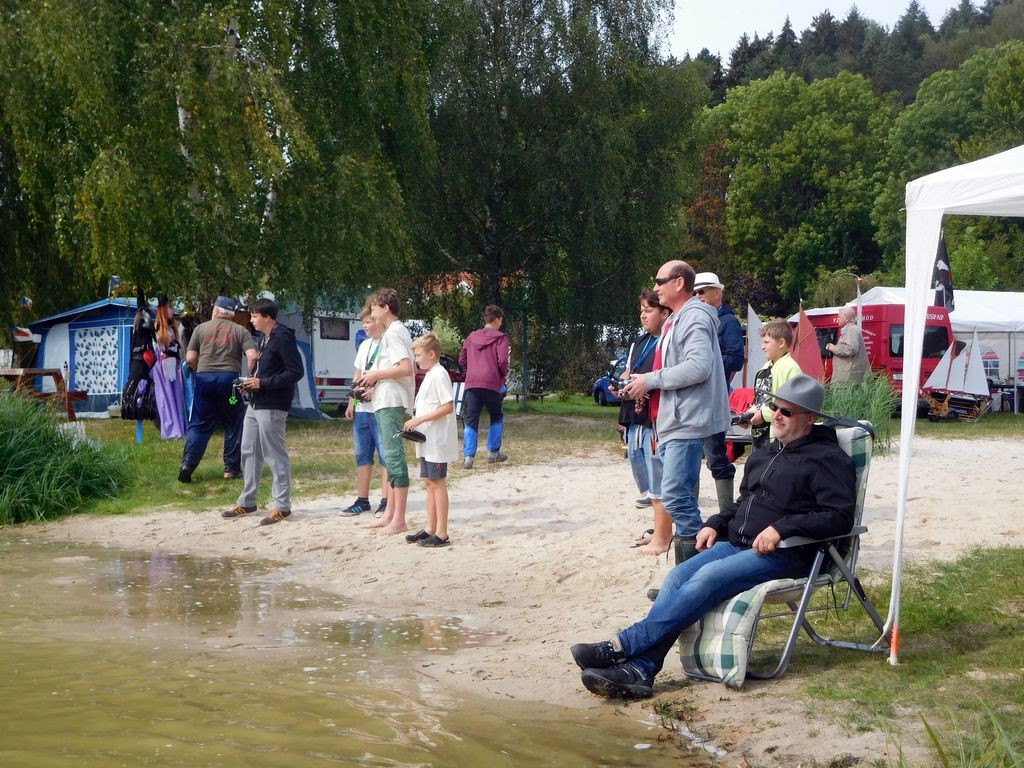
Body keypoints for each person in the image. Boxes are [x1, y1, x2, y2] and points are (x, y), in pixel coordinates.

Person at [570, 375, 856, 699]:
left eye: (787, 412)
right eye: (775, 407)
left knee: (707, 578)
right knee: (677, 577)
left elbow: (838, 516)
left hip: (792, 553)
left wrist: (783, 528)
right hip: (739, 544)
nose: (776, 415)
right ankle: (641, 670)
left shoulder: (828, 458)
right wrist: (715, 523)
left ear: (810, 418)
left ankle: (623, 646)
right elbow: (744, 502)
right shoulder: (766, 453)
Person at [620, 261, 730, 565]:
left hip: (686, 421)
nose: (656, 287)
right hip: (675, 420)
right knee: (677, 497)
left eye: (660, 281)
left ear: (679, 283)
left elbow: (698, 366)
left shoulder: (693, 317)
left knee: (676, 497)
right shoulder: (677, 320)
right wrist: (645, 386)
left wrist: (651, 380)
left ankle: (699, 571)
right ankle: (690, 573)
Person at [222, 298, 303, 526]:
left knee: (274, 454)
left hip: (273, 404)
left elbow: (296, 372)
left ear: (267, 317)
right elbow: (267, 370)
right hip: (256, 403)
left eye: (254, 316)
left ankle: (282, 506)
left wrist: (262, 383)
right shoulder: (266, 337)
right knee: (248, 451)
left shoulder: (283, 337)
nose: (251, 320)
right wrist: (250, 382)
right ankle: (248, 501)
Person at [614, 290, 673, 556]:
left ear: (664, 312)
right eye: (641, 310)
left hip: (656, 417)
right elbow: (630, 371)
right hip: (635, 416)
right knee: (645, 478)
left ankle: (663, 535)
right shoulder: (639, 342)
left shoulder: (669, 341)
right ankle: (658, 531)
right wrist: (623, 383)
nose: (643, 315)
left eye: (648, 310)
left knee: (659, 477)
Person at [179, 296, 257, 483]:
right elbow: (253, 356)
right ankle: (231, 470)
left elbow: (190, 358)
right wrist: (248, 377)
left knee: (199, 424)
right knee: (233, 422)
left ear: (215, 311)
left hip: (204, 380)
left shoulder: (200, 329)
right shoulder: (241, 331)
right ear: (232, 314)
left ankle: (187, 465)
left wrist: (198, 371)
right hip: (230, 382)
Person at [358, 288, 416, 535]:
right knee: (390, 458)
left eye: (374, 310)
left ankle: (398, 519)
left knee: (393, 456)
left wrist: (375, 375)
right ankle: (390, 514)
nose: (372, 315)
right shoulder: (394, 332)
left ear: (386, 309)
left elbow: (405, 368)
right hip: (386, 397)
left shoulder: (393, 332)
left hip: (391, 400)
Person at [403, 332, 459, 547]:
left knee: (437, 482)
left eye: (418, 355)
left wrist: (419, 419)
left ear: (432, 354)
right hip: (427, 439)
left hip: (437, 439)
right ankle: (430, 528)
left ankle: (442, 533)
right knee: (428, 482)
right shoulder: (430, 374)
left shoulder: (439, 374)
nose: (416, 359)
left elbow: (447, 406)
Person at [694, 272, 744, 514]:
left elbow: (736, 360)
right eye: (695, 292)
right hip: (692, 399)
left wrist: (704, 362)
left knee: (716, 456)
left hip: (713, 398)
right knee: (690, 457)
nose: (698, 296)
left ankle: (726, 512)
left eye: (702, 291)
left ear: (717, 292)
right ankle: (690, 511)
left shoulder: (729, 322)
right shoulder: (693, 320)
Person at [339, 307, 389, 517]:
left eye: (368, 322)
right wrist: (352, 401)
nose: (365, 326)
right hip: (362, 409)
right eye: (364, 323)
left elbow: (395, 376)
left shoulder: (388, 344)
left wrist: (375, 391)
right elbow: (357, 374)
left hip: (381, 408)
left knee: (385, 456)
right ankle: (362, 500)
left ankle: (386, 501)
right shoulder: (365, 345)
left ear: (379, 321)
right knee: (362, 455)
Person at [737, 320, 802, 452]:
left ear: (781, 343)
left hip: (778, 437)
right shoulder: (766, 367)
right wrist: (749, 415)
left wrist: (763, 415)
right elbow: (760, 400)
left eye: (766, 342)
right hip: (759, 435)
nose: (762, 347)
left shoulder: (791, 369)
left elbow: (790, 404)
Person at [459, 305, 510, 469]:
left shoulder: (471, 337)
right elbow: (503, 361)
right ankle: (493, 453)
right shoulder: (501, 338)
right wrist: (503, 374)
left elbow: (462, 360)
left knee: (471, 418)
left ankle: (468, 458)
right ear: (497, 319)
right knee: (496, 415)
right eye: (501, 320)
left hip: (472, 383)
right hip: (492, 382)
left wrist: (473, 369)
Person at [151, 296, 186, 440]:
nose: (172, 310)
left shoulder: (171, 328)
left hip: (172, 364)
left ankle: (178, 426)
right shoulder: (158, 329)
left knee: (175, 395)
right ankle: (170, 428)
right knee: (166, 396)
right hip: (164, 366)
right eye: (169, 308)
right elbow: (161, 350)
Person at [826, 307, 870, 383]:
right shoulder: (850, 329)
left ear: (846, 318)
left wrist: (834, 348)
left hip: (848, 378)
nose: (837, 319)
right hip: (849, 377)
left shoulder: (851, 330)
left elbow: (851, 349)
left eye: (839, 316)